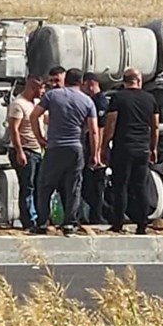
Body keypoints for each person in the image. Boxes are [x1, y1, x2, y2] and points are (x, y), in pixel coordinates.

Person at [29, 68, 100, 236]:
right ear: (81, 82)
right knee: (73, 186)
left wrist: (40, 138)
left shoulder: (52, 96)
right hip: (76, 147)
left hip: (54, 146)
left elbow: (34, 115)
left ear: (65, 79)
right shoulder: (87, 101)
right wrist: (95, 153)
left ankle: (42, 222)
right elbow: (94, 130)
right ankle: (69, 223)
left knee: (45, 185)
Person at [101, 67, 159, 234]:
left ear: (124, 81)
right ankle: (142, 224)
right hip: (142, 148)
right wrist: (153, 147)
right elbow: (155, 126)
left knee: (120, 186)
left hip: (123, 147)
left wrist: (104, 145)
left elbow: (111, 124)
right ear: (139, 81)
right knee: (140, 186)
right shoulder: (150, 99)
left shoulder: (118, 98)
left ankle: (118, 223)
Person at [8, 75, 45, 228]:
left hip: (37, 150)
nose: (43, 92)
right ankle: (29, 220)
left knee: (38, 185)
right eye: (42, 88)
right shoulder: (18, 104)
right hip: (25, 150)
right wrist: (19, 151)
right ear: (33, 87)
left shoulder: (36, 103)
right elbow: (14, 129)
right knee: (27, 186)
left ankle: (39, 217)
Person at [79, 72, 109, 225]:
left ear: (91, 84)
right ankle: (93, 213)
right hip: (89, 145)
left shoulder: (99, 102)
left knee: (95, 185)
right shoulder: (90, 101)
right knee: (87, 185)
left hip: (96, 147)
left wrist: (97, 151)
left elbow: (100, 128)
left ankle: (98, 215)